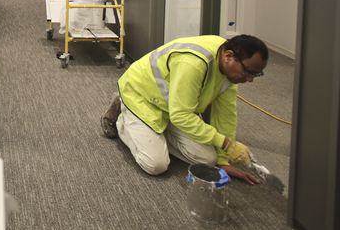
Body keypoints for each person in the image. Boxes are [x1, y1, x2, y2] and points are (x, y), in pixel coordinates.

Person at [101, 34, 268, 184]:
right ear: (229, 56)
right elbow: (181, 116)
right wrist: (225, 143)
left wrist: (224, 159)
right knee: (156, 165)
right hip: (142, 98)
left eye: (256, 75)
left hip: (175, 107)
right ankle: (122, 115)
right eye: (249, 72)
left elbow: (225, 116)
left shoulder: (230, 73)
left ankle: (156, 132)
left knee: (209, 159)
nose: (250, 80)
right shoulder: (194, 63)